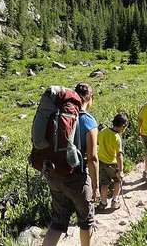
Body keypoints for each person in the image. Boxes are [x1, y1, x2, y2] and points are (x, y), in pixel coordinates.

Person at [42, 82, 99, 246]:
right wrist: (95, 186)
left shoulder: (59, 115)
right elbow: (93, 157)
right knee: (86, 220)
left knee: (58, 222)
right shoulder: (88, 121)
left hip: (54, 174)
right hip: (76, 178)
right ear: (90, 99)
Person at [97, 113, 128, 211]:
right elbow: (119, 155)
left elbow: (97, 142)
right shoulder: (117, 137)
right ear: (122, 126)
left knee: (104, 184)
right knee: (118, 181)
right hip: (112, 164)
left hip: (101, 162)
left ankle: (103, 202)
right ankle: (115, 201)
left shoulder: (103, 131)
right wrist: (121, 170)